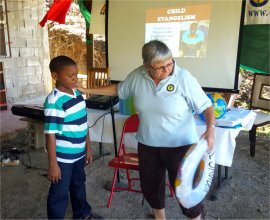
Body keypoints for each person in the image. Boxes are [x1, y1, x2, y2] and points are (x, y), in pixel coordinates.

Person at [79, 40, 215, 220]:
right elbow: (119, 90)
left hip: (180, 146)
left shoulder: (183, 77)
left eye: (169, 63)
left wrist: (210, 128)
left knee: (186, 190)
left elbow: (206, 106)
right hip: (148, 145)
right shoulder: (138, 76)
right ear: (147, 66)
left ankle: (196, 217)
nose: (167, 70)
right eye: (160, 67)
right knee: (151, 187)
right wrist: (85, 89)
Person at [44, 55, 103, 219]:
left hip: (79, 154)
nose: (75, 78)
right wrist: (53, 164)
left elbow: (83, 123)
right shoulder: (55, 101)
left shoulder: (77, 93)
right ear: (55, 76)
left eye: (76, 74)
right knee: (59, 193)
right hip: (62, 158)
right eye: (70, 76)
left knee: (79, 184)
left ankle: (82, 214)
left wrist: (88, 148)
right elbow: (50, 136)